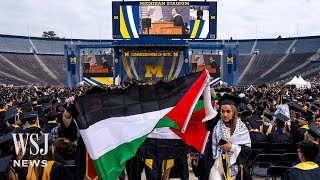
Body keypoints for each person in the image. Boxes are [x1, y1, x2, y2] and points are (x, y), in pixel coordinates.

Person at [201, 93, 252, 180]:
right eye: (222, 111)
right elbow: (207, 106)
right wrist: (207, 88)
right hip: (216, 164)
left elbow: (247, 150)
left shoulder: (241, 128)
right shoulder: (215, 124)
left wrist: (232, 147)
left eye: (228, 112)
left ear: (234, 112)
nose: (225, 115)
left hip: (234, 165)